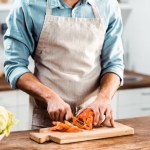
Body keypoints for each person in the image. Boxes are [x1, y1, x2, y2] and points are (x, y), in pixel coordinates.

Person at [4, 0, 124, 129]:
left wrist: (104, 98)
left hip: (95, 118)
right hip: (47, 120)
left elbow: (114, 64)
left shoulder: (108, 5)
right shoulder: (27, 5)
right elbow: (15, 66)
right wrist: (49, 97)